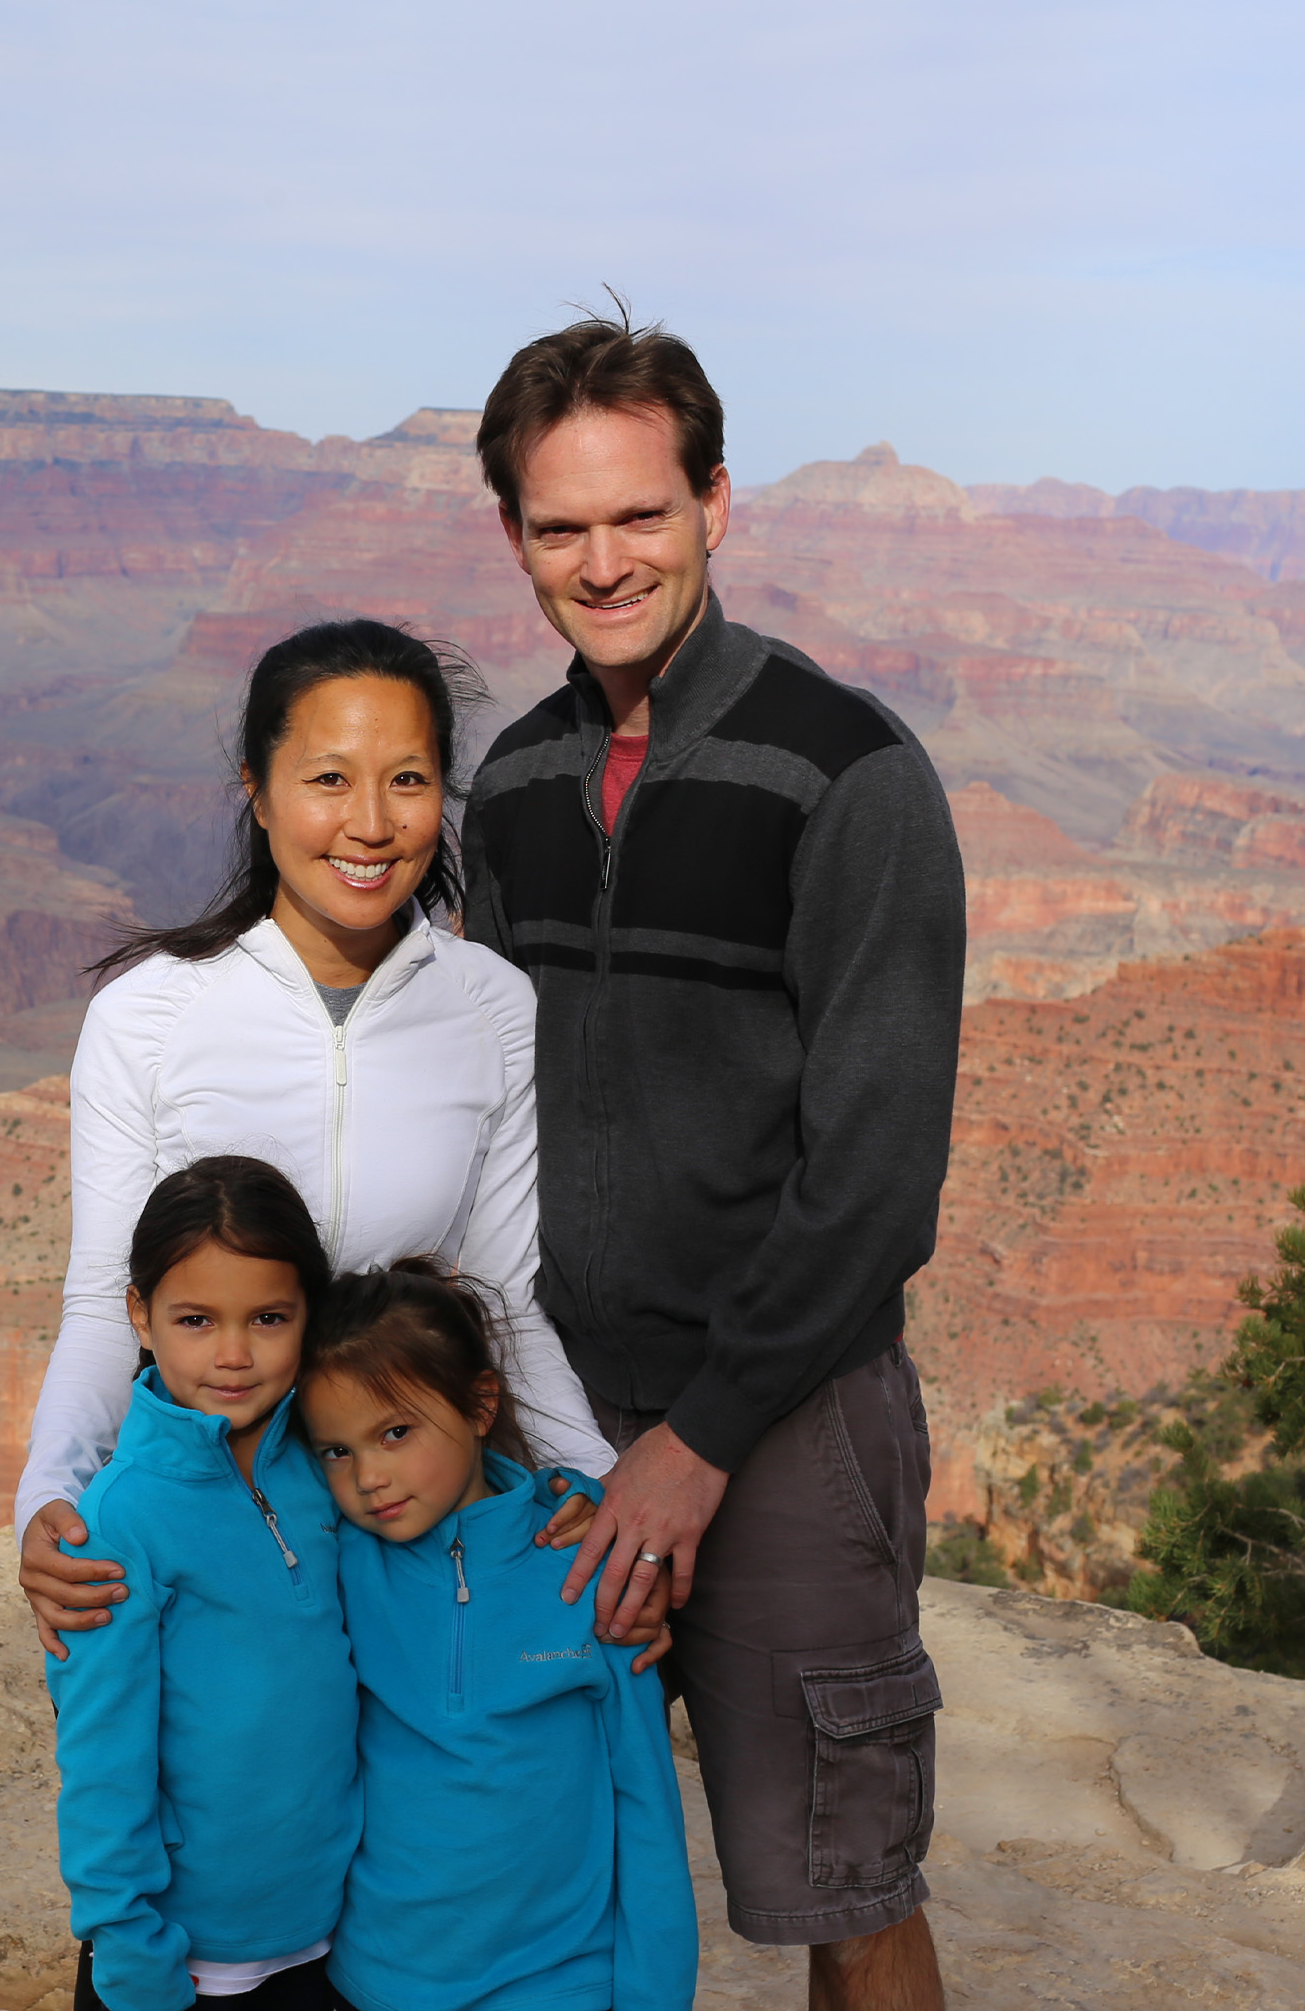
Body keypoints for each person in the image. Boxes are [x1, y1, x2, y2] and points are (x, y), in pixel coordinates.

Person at [454, 312, 966, 2010]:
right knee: (541, 1882)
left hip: (787, 1421)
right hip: (556, 1434)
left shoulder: (848, 773)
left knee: (846, 1885)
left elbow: (878, 1176)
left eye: (640, 514)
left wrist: (703, 1439)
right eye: (561, 526)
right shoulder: (515, 781)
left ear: (717, 505)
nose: (605, 562)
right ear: (517, 538)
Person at [18, 622, 615, 1663]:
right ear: (257, 787)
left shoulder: (490, 1008)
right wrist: (51, 1492)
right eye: (329, 778)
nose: (372, 823)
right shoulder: (149, 1016)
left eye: (410, 778)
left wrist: (587, 1477)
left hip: (410, 1520)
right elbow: (106, 1301)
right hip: (214, 1529)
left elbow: (506, 1296)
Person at [300, 1260, 693, 2011]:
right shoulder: (340, 1565)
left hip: (559, 1982)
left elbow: (645, 1798)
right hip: (378, 1980)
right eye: (336, 1451)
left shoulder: (585, 1571)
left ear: (481, 1405)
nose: (368, 1477)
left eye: (395, 1432)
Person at [46, 1155, 358, 2011]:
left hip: (334, 1938)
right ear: (140, 1317)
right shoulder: (120, 1522)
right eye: (194, 1319)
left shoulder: (332, 1470)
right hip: (187, 1963)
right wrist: (131, 1953)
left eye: (267, 1317)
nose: (232, 1353)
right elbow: (102, 1760)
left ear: (308, 1316)